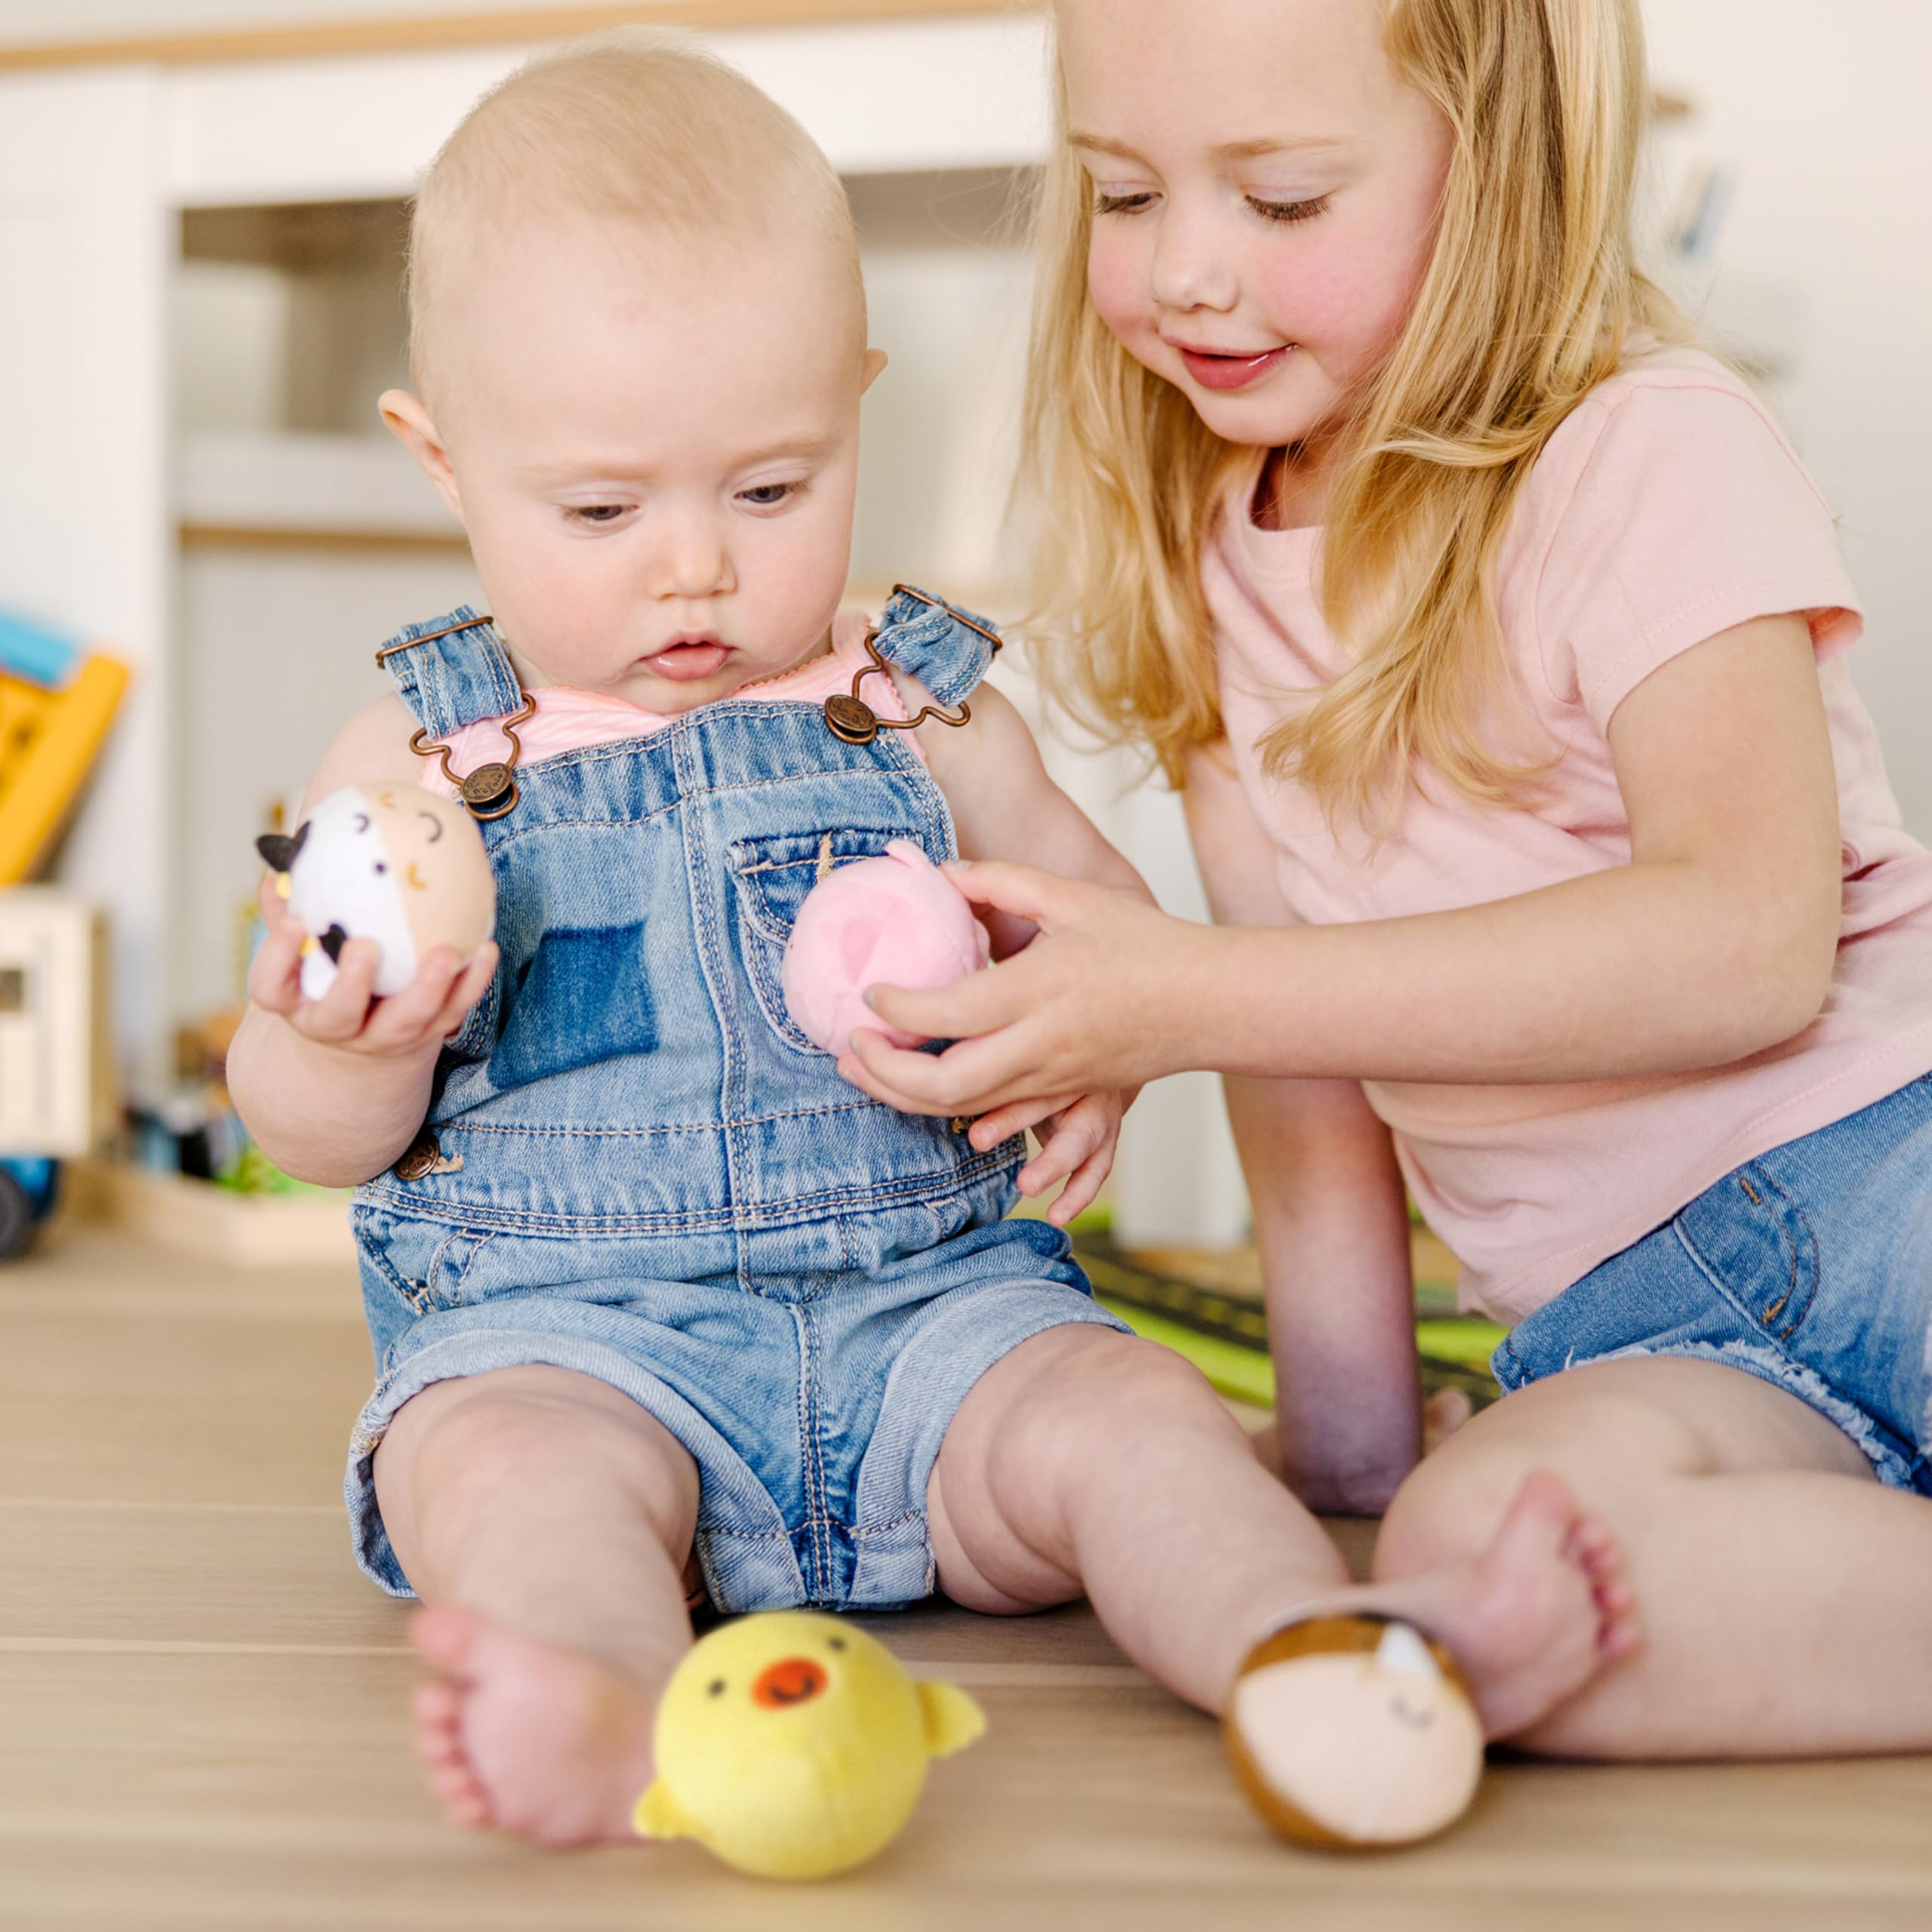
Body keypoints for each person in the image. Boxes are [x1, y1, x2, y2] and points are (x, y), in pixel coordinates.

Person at [226, 32, 1630, 1848]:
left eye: (769, 487)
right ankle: (594, 1682)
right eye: (597, 509)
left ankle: (1307, 1651)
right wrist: (346, 1042)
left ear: (856, 405)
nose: (694, 571)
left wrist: (1088, 1033)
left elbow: (1096, 916)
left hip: (936, 1320)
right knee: (498, 1469)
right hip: (569, 1339)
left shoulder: (912, 703)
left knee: (1127, 1416)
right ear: (441, 457)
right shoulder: (411, 766)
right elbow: (307, 1135)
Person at [847, 0, 1932, 1762]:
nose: (1186, 272)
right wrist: (1349, 1447)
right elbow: (1306, 1088)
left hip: (1889, 1164)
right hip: (1628, 1331)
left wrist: (1171, 992)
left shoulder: (1646, 444)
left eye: (1278, 202)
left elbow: (1745, 941)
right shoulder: (1215, 556)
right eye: (1122, 197)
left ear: (1497, 170)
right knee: (1471, 1560)